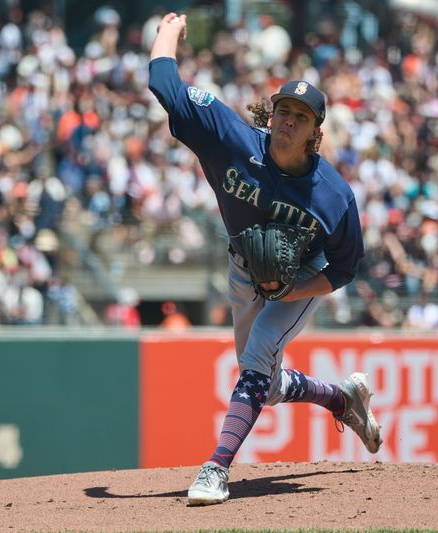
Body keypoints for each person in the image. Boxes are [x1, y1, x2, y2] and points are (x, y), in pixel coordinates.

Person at [148, 12, 381, 506]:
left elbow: (342, 270)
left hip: (299, 279)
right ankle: (343, 400)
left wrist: (291, 291)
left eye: (301, 116)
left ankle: (215, 470)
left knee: (256, 360)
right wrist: (170, 29)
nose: (288, 122)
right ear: (270, 114)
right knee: (266, 385)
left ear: (316, 130)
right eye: (283, 111)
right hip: (242, 269)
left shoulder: (334, 197)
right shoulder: (231, 139)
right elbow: (164, 83)